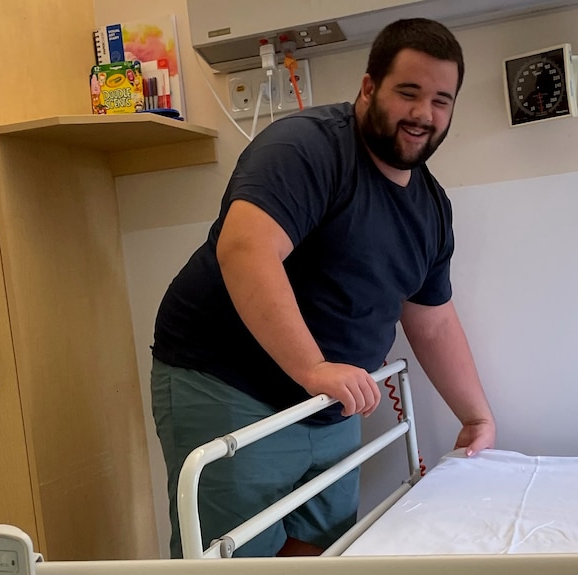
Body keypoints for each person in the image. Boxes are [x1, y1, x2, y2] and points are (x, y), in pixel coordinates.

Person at [150, 17, 496, 559]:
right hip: (229, 385)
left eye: (441, 100)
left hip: (331, 402)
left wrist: (476, 417)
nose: (423, 114)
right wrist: (313, 367)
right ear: (367, 87)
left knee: (322, 551)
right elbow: (247, 250)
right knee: (236, 560)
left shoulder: (430, 208)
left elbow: (433, 320)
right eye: (408, 92)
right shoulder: (305, 149)